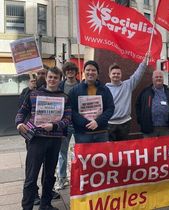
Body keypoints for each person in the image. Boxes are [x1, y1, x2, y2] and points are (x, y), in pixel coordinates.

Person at [16, 67, 71, 210]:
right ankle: (27, 206)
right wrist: (19, 123)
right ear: (46, 78)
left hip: (54, 140)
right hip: (36, 139)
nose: (52, 80)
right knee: (31, 175)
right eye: (50, 77)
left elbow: (67, 119)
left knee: (49, 175)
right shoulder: (33, 94)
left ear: (60, 80)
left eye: (56, 78)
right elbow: (22, 111)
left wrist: (54, 126)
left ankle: (45, 204)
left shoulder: (64, 97)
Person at [69, 60, 115, 143]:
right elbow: (71, 110)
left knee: (102, 155)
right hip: (82, 133)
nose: (90, 72)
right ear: (83, 72)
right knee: (84, 156)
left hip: (101, 132)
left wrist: (98, 122)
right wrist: (84, 123)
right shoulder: (74, 90)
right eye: (88, 70)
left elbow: (110, 108)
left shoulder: (105, 90)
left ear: (97, 73)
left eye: (93, 70)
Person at [106, 54, 149, 141]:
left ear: (121, 75)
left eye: (118, 73)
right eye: (113, 73)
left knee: (123, 149)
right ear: (109, 75)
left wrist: (144, 61)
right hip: (109, 124)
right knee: (111, 150)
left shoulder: (127, 85)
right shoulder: (104, 89)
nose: (116, 75)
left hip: (125, 124)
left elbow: (138, 75)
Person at [53, 62, 80, 191]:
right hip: (64, 123)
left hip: (79, 123)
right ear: (65, 72)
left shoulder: (82, 85)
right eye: (68, 70)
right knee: (62, 152)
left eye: (72, 70)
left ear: (76, 72)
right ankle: (62, 178)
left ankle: (80, 177)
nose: (70, 72)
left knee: (80, 151)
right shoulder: (60, 85)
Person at [136, 70, 169, 138]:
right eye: (156, 77)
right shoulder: (145, 92)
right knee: (150, 148)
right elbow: (138, 106)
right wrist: (141, 121)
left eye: (160, 77)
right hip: (149, 128)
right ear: (152, 79)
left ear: (163, 78)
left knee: (164, 147)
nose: (159, 78)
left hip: (165, 128)